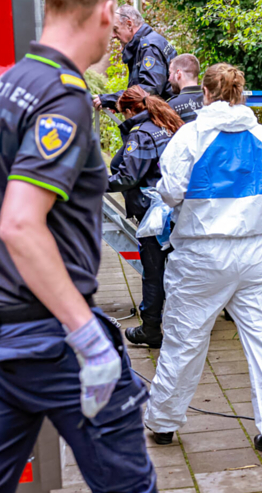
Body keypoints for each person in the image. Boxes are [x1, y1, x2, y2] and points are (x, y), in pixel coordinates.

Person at [0, 0, 156, 493]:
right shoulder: (62, 99)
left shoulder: (9, 85)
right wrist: (85, 334)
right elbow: (19, 222)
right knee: (129, 486)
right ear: (107, 13)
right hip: (49, 339)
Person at [143, 63, 262, 455]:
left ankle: (163, 422)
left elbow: (172, 191)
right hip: (256, 252)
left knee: (184, 338)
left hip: (201, 252)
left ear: (208, 94)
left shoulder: (190, 136)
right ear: (240, 93)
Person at [107, 85, 183, 348]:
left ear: (130, 110)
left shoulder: (140, 134)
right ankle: (186, 324)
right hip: (176, 208)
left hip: (154, 214)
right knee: (178, 268)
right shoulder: (166, 123)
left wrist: (94, 183)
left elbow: (128, 176)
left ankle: (151, 328)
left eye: (122, 113)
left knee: (153, 271)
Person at [94, 5, 177, 110]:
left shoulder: (149, 48)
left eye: (115, 29)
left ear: (129, 24)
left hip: (164, 118)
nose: (113, 35)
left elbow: (149, 90)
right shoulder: (143, 45)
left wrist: (111, 99)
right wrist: (122, 104)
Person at [166, 54, 204, 123]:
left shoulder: (172, 105)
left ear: (178, 73)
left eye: (170, 73)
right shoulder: (212, 100)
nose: (169, 79)